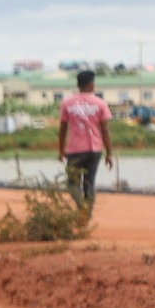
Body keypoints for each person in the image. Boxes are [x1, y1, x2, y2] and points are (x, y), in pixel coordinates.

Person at [55, 69, 113, 213]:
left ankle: (82, 207)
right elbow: (105, 130)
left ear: (78, 84)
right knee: (89, 183)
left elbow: (63, 129)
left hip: (74, 149)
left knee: (72, 184)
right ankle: (86, 215)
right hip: (94, 149)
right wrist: (109, 153)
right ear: (92, 85)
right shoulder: (100, 103)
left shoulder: (67, 103)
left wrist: (61, 150)